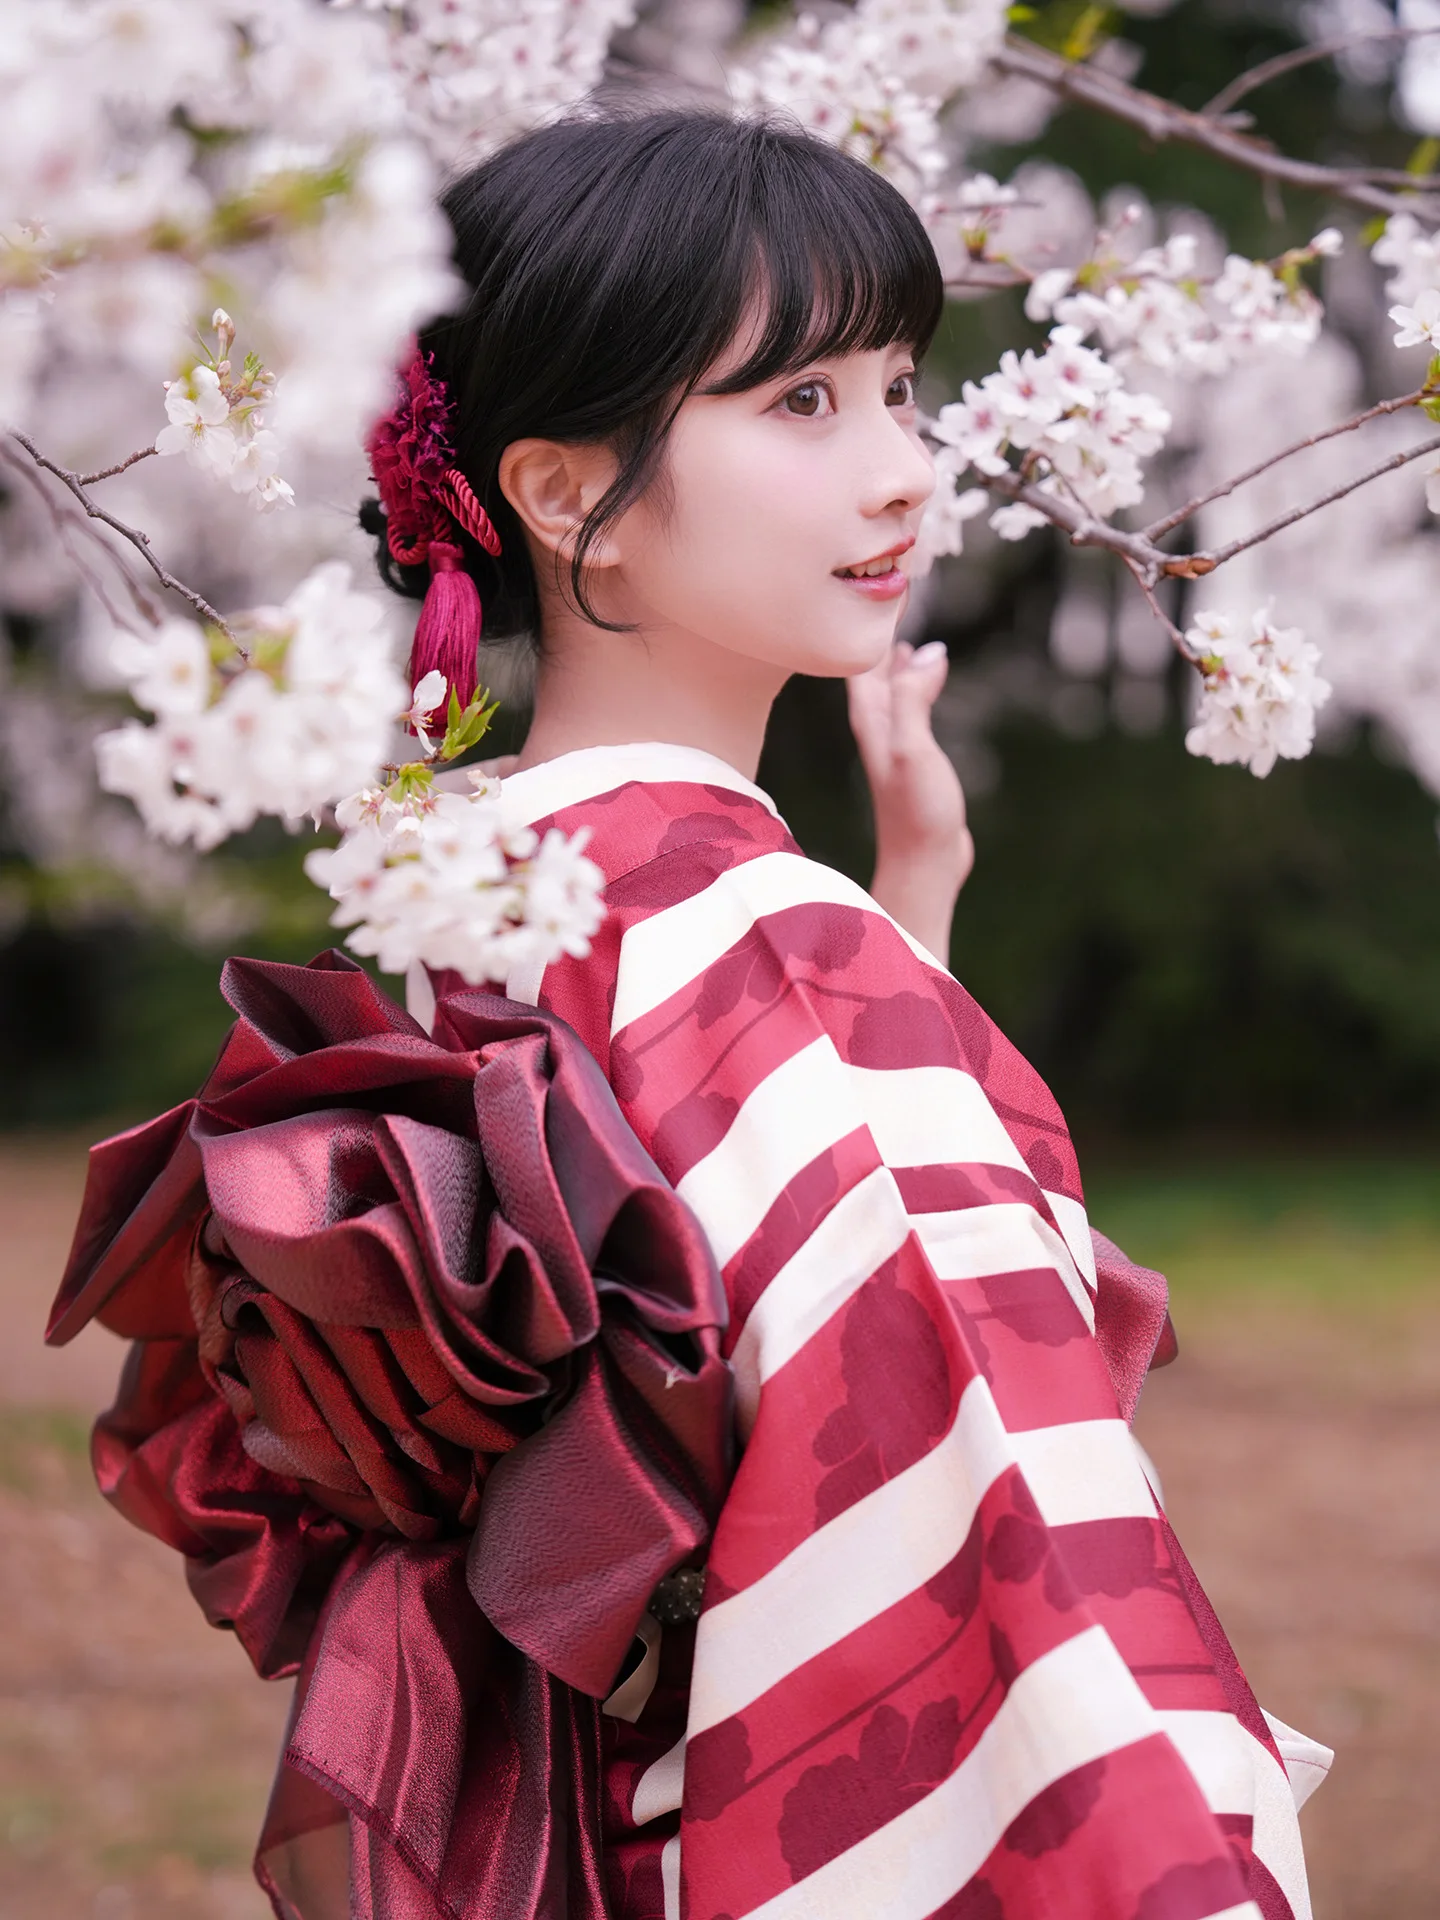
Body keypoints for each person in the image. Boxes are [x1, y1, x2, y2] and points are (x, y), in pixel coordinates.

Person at [50, 106, 1328, 1920]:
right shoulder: (768, 943)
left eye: (901, 383)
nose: (903, 469)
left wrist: (912, 921)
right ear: (565, 492)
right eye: (801, 403)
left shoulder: (459, 905)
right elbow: (980, 1466)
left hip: (593, 1819)